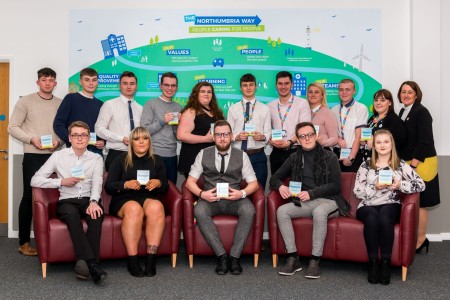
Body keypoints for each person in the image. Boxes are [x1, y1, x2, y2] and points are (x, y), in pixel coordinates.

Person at [270, 122, 350, 279]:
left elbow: (336, 186)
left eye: (310, 135)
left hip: (329, 200)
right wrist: (280, 187)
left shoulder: (330, 156)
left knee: (319, 212)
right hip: (305, 202)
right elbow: (274, 178)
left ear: (316, 136)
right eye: (302, 136)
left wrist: (312, 193)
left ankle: (315, 260)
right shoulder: (294, 157)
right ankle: (293, 257)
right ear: (298, 140)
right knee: (282, 211)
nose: (307, 138)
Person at [30, 121, 107, 284]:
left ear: (88, 138)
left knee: (96, 215)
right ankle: (94, 263)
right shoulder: (58, 156)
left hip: (88, 200)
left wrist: (94, 201)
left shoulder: (96, 158)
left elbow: (97, 182)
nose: (80, 138)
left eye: (84, 135)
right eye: (75, 135)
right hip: (67, 201)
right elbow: (35, 179)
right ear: (69, 138)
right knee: (71, 216)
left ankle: (82, 262)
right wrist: (61, 182)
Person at [185, 120, 258, 275]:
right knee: (199, 211)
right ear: (213, 136)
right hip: (210, 199)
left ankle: (234, 257)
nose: (222, 138)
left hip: (235, 199)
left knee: (249, 209)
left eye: (226, 134)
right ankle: (221, 256)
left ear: (231, 136)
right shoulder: (203, 153)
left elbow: (254, 184)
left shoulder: (242, 155)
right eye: (218, 134)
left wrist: (242, 193)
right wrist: (201, 194)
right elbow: (190, 182)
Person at [354, 129, 425, 285]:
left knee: (385, 218)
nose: (382, 145)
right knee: (372, 218)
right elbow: (357, 191)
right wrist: (375, 187)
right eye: (378, 142)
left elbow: (420, 184)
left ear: (391, 144)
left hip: (390, 204)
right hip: (368, 205)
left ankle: (385, 263)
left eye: (386, 141)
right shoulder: (366, 165)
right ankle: (373, 262)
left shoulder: (399, 165)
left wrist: (400, 185)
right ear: (374, 145)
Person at [8, 67, 62, 256]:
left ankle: (54, 239)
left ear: (55, 83)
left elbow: (63, 129)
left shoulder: (60, 103)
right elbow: (12, 127)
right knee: (29, 197)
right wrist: (32, 139)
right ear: (38, 82)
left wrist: (60, 141)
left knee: (55, 196)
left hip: (55, 155)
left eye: (51, 80)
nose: (48, 83)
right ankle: (23, 243)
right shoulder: (25, 101)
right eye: (44, 80)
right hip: (33, 154)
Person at [105, 127, 168, 277]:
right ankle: (132, 260)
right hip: (124, 199)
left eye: (145, 138)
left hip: (147, 196)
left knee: (157, 206)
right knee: (134, 209)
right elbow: (109, 186)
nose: (141, 142)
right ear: (131, 142)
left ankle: (150, 259)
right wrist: (124, 184)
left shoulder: (157, 160)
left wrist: (158, 183)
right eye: (137, 138)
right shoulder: (120, 159)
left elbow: (165, 186)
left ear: (149, 141)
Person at [397, 81, 440, 253]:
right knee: (410, 202)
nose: (406, 95)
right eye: (403, 92)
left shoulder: (422, 112)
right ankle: (414, 238)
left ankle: (421, 240)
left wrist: (414, 164)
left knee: (421, 203)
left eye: (409, 92)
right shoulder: (403, 111)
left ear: (416, 94)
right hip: (408, 163)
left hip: (421, 164)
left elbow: (425, 141)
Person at [227, 73, 271, 188]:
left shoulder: (265, 108)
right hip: (237, 155)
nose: (248, 88)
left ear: (256, 87)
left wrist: (262, 137)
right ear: (240, 88)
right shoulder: (233, 109)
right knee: (236, 189)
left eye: (251, 85)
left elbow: (268, 132)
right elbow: (228, 134)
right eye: (245, 85)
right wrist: (236, 137)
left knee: (258, 189)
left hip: (258, 156)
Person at [96, 71, 142, 171]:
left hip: (137, 154)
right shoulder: (110, 104)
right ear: (119, 86)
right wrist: (120, 138)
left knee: (135, 185)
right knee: (113, 186)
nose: (128, 87)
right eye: (125, 83)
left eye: (132, 84)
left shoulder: (140, 108)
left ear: (136, 86)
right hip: (116, 153)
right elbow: (99, 128)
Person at [141, 72, 182, 184]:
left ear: (176, 87)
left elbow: (177, 136)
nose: (170, 88)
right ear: (161, 86)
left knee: (170, 190)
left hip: (172, 155)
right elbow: (144, 131)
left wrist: (178, 124)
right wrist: (162, 121)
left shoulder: (178, 107)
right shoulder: (151, 104)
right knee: (152, 190)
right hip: (153, 155)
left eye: (173, 85)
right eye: (166, 85)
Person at [53, 67, 105, 156]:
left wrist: (104, 141)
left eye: (94, 80)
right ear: (80, 82)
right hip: (74, 150)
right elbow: (58, 124)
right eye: (87, 80)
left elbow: (104, 129)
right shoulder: (70, 98)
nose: (91, 83)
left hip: (95, 152)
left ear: (97, 82)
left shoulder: (101, 104)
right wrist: (72, 139)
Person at [177, 81, 224, 177]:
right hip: (194, 160)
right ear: (196, 94)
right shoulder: (191, 111)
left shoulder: (216, 113)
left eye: (209, 92)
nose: (206, 94)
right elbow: (181, 135)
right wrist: (206, 139)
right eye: (202, 91)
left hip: (212, 159)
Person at [268, 71, 311, 174]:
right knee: (277, 185)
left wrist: (289, 142)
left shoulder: (302, 103)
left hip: (295, 150)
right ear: (276, 85)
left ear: (292, 85)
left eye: (286, 83)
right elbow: (267, 129)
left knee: (296, 185)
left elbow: (305, 129)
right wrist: (270, 140)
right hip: (276, 152)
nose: (283, 87)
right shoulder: (270, 106)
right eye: (280, 83)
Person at [331, 78, 368, 172]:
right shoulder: (334, 110)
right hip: (336, 154)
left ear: (354, 91)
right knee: (336, 185)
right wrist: (338, 139)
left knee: (351, 185)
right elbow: (332, 132)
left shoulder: (361, 108)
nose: (344, 92)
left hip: (353, 154)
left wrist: (351, 157)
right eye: (341, 90)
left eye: (348, 89)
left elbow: (358, 136)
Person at [360, 89, 405, 161]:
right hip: (368, 160)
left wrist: (374, 144)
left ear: (390, 102)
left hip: (384, 161)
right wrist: (363, 141)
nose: (378, 103)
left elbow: (399, 141)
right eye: (376, 100)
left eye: (382, 100)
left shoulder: (393, 119)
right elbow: (368, 137)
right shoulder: (372, 118)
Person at [307, 82, 339, 149]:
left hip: (321, 151)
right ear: (307, 95)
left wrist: (323, 142)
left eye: (316, 92)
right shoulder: (303, 111)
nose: (313, 94)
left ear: (322, 95)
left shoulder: (327, 112)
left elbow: (334, 138)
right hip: (305, 151)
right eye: (310, 92)